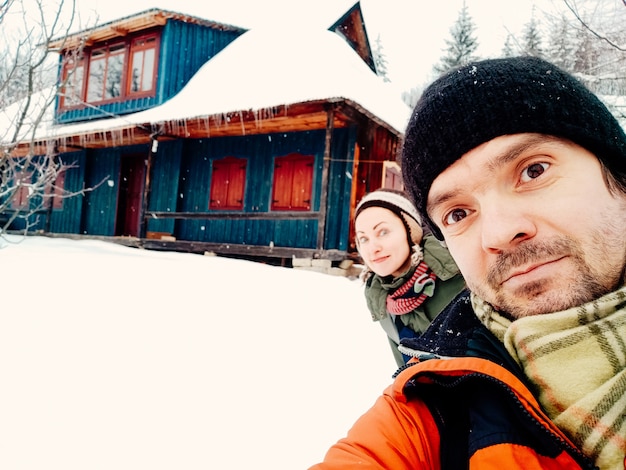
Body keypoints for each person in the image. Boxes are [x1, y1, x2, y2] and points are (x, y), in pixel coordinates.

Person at [310, 56, 626, 469]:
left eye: (533, 171)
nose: (498, 234)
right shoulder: (429, 414)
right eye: (457, 214)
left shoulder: (445, 278)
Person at [354, 188, 465, 367]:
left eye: (383, 232)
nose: (373, 248)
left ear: (410, 231)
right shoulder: (381, 299)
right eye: (364, 239)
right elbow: (406, 370)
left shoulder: (458, 272)